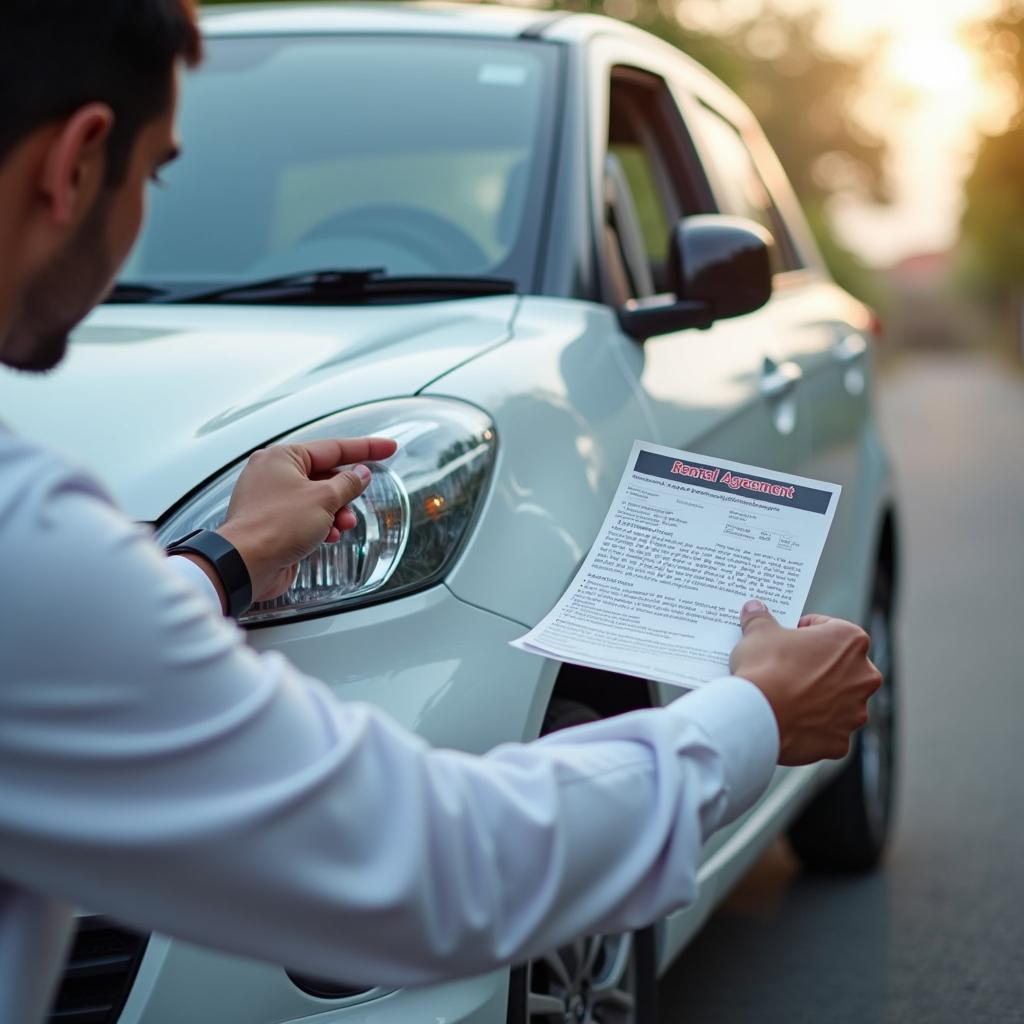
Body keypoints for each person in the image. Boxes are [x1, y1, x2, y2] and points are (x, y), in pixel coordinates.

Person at [0, 2, 882, 1021]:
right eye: (160, 178)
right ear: (76, 163)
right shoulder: (35, 537)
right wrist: (754, 716)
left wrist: (223, 562)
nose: (149, 214)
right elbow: (433, 865)